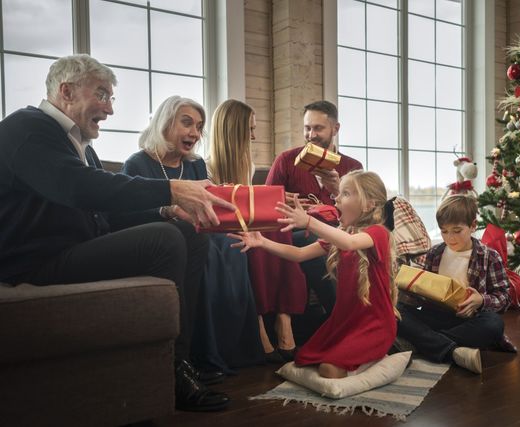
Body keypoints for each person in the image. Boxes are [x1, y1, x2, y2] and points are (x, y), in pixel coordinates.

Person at [0, 54, 235, 412]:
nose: (109, 109)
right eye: (103, 95)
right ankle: (172, 370)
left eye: (111, 98)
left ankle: (181, 361)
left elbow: (104, 215)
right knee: (166, 239)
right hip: (33, 264)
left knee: (186, 232)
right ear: (67, 91)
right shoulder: (26, 128)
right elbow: (77, 187)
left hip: (75, 250)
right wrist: (169, 190)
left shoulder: (80, 145)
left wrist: (165, 210)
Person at [121, 96, 264, 374]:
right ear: (164, 123)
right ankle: (202, 354)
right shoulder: (137, 164)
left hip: (205, 234)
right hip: (168, 239)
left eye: (199, 127)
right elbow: (124, 217)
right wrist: (170, 210)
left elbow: (212, 207)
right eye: (186, 123)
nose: (194, 133)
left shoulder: (197, 165)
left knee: (233, 242)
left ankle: (229, 348)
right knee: (208, 247)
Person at [230, 170, 398, 378]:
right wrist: (262, 242)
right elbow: (299, 254)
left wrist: (309, 221)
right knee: (304, 359)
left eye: (345, 194)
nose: (336, 198)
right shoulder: (344, 234)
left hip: (374, 325)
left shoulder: (378, 233)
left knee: (328, 370)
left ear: (368, 204)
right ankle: (361, 359)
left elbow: (350, 244)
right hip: (346, 322)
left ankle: (375, 360)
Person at [205, 99, 306, 364]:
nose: (253, 135)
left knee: (279, 227)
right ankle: (259, 323)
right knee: (255, 238)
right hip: (220, 229)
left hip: (243, 225)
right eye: (249, 129)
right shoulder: (205, 166)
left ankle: (284, 319)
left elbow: (248, 207)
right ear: (233, 130)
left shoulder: (245, 165)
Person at [265, 100, 363, 322]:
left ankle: (343, 319)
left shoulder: (352, 166)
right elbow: (267, 204)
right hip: (299, 231)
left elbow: (363, 214)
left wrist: (338, 189)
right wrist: (284, 202)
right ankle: (343, 319)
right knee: (308, 238)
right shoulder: (286, 160)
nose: (311, 135)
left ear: (335, 129)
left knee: (324, 238)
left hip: (339, 231)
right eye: (307, 128)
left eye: (318, 128)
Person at [396, 194, 511, 374]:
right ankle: (450, 349)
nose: (450, 238)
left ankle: (422, 344)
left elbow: (505, 297)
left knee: (493, 325)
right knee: (397, 311)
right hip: (435, 316)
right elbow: (420, 297)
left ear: (473, 226)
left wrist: (480, 300)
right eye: (444, 231)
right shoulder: (434, 253)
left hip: (468, 320)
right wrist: (410, 287)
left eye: (457, 231)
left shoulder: (489, 256)